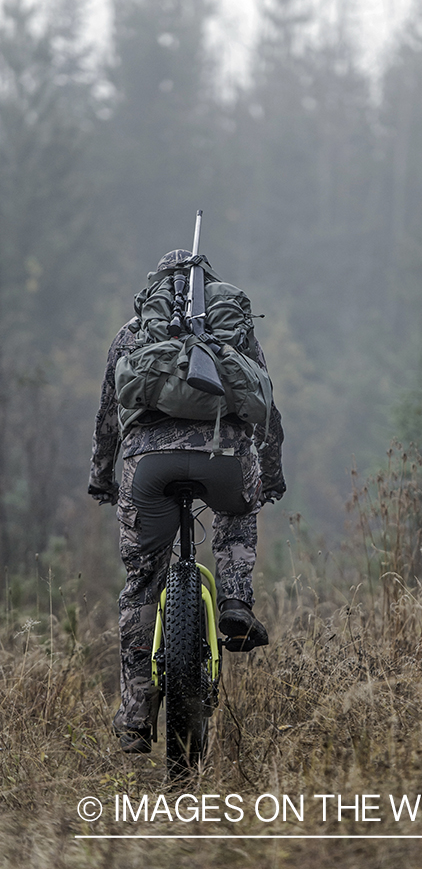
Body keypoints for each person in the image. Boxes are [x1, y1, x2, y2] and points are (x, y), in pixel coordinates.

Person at [88, 249, 286, 754]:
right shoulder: (232, 333)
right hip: (225, 455)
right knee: (238, 513)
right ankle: (236, 601)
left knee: (140, 585)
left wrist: (102, 479)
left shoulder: (134, 332)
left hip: (148, 465)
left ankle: (135, 717)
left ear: (156, 288)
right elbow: (266, 407)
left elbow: (109, 414)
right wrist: (271, 476)